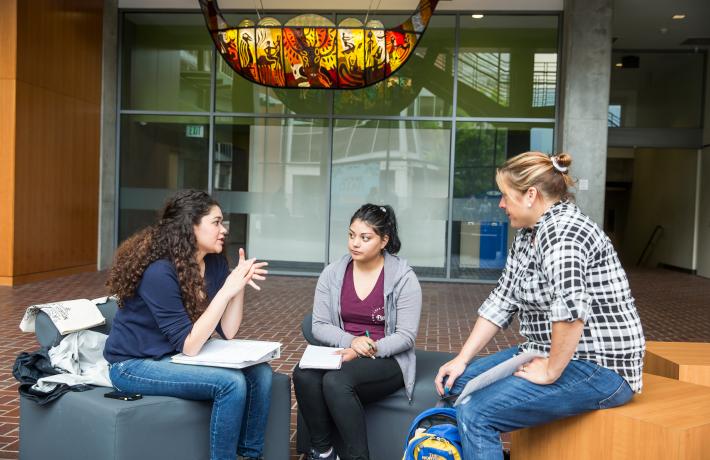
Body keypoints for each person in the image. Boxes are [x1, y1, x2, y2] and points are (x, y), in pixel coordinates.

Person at [434, 152, 645, 460]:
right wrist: (461, 359)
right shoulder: (527, 235)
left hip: (600, 368)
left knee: (477, 413)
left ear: (530, 195)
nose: (501, 205)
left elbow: (571, 312)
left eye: (505, 196)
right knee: (454, 385)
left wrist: (549, 372)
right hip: (546, 351)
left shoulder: (563, 232)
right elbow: (502, 299)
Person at [103, 189, 272, 460]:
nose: (224, 230)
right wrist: (228, 289)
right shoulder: (160, 271)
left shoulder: (213, 262)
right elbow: (191, 345)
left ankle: (250, 455)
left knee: (260, 374)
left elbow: (227, 331)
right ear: (190, 226)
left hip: (175, 356)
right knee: (231, 384)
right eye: (216, 222)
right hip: (132, 364)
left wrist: (238, 285)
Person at [294, 204, 422, 460]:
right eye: (352, 235)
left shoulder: (404, 278)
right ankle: (324, 451)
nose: (355, 243)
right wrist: (351, 342)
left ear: (384, 240)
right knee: (303, 374)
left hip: (386, 357)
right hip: (342, 351)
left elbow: (406, 335)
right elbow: (318, 325)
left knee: (336, 381)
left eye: (365, 238)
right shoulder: (332, 273)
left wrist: (367, 348)